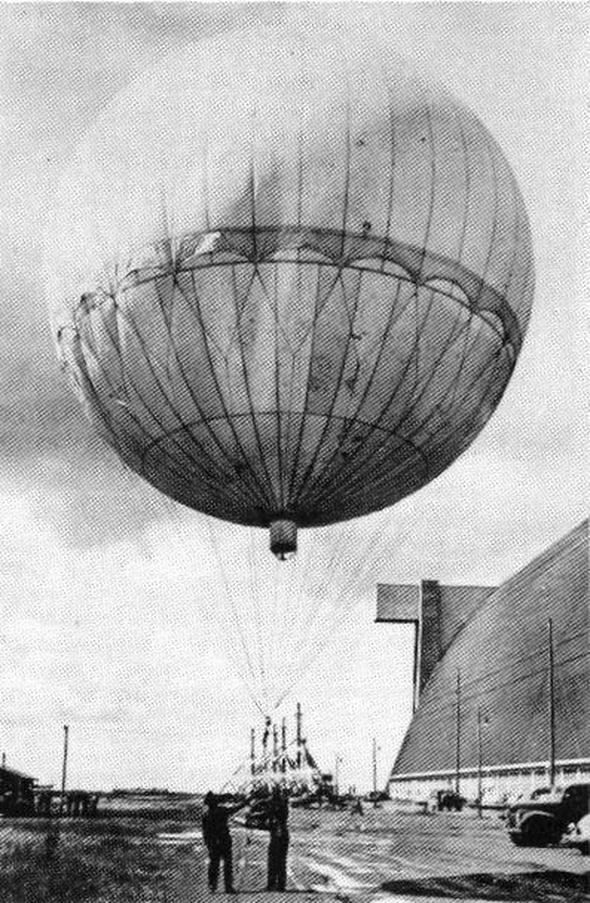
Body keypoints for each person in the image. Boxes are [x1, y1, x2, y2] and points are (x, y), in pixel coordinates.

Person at [202, 791, 245, 893]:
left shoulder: (206, 814)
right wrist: (246, 802)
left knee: (213, 865)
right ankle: (228, 887)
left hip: (213, 843)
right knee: (228, 865)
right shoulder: (221, 811)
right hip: (224, 841)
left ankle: (212, 886)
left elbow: (205, 832)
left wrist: (208, 844)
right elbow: (234, 809)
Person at [266, 786, 289, 892]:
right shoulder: (283, 804)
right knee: (281, 861)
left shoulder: (275, 805)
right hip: (282, 834)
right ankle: (280, 885)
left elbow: (274, 819)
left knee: (274, 861)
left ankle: (272, 884)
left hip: (278, 835)